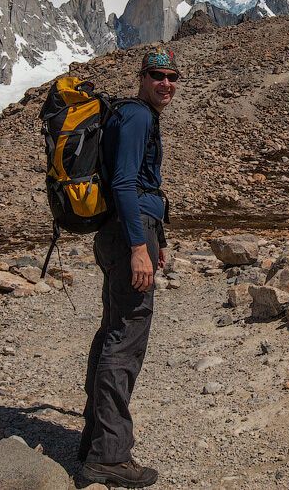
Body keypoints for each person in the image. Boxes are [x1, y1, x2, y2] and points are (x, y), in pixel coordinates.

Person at [78, 46, 180, 488]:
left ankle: (93, 438)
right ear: (142, 78)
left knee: (112, 329)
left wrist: (153, 240)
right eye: (157, 75)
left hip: (126, 232)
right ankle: (109, 455)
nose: (166, 83)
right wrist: (140, 245)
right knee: (126, 336)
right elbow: (123, 181)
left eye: (173, 77)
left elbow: (134, 184)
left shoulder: (132, 116)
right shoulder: (138, 117)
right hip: (127, 235)